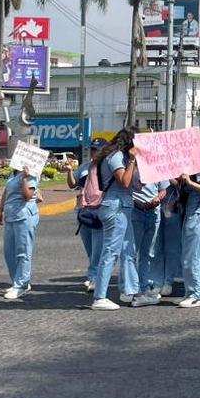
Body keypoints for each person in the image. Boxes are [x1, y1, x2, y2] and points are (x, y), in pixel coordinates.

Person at [88, 129, 138, 311]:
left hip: (122, 205)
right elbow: (124, 182)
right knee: (111, 251)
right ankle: (100, 296)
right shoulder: (116, 156)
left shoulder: (114, 155)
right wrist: (132, 160)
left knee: (128, 248)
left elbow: (132, 183)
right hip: (115, 207)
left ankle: (131, 289)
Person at [68, 138, 107, 293]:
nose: (94, 152)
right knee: (90, 248)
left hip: (100, 210)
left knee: (98, 247)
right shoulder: (85, 167)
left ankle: (94, 277)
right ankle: (95, 275)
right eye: (92, 149)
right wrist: (70, 170)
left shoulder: (107, 168)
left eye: (97, 149)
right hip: (84, 211)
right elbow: (72, 184)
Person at [173, 165, 200, 308]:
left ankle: (197, 294)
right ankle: (191, 291)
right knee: (188, 255)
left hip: (199, 214)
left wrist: (190, 183)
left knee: (191, 255)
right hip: (192, 213)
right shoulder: (189, 168)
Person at [0, 166, 39, 299]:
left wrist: (24, 179)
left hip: (24, 216)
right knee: (9, 252)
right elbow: (6, 193)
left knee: (23, 251)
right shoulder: (13, 174)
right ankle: (17, 280)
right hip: (10, 216)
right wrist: (0, 210)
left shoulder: (31, 175)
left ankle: (21, 284)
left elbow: (27, 196)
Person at [130, 166, 169, 301]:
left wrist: (158, 198)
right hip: (136, 211)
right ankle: (132, 288)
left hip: (153, 212)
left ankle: (144, 286)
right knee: (132, 253)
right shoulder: (132, 168)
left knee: (148, 253)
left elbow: (163, 189)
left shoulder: (157, 167)